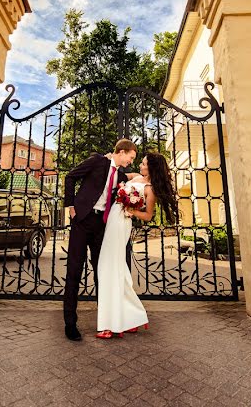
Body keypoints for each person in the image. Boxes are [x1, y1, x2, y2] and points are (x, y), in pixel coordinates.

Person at [96, 152, 178, 339]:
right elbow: (114, 171)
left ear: (152, 168)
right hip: (112, 219)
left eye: (143, 163)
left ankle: (111, 324)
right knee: (114, 267)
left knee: (109, 266)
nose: (140, 165)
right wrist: (107, 158)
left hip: (122, 222)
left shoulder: (151, 189)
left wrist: (131, 210)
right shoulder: (135, 177)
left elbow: (148, 215)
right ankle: (131, 317)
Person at [62, 139, 136, 341]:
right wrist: (71, 206)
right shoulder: (96, 161)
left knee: (102, 273)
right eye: (130, 157)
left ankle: (107, 321)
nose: (131, 161)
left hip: (101, 226)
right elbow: (70, 177)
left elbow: (130, 179)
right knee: (74, 270)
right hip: (82, 220)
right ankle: (70, 324)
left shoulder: (120, 175)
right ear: (121, 151)